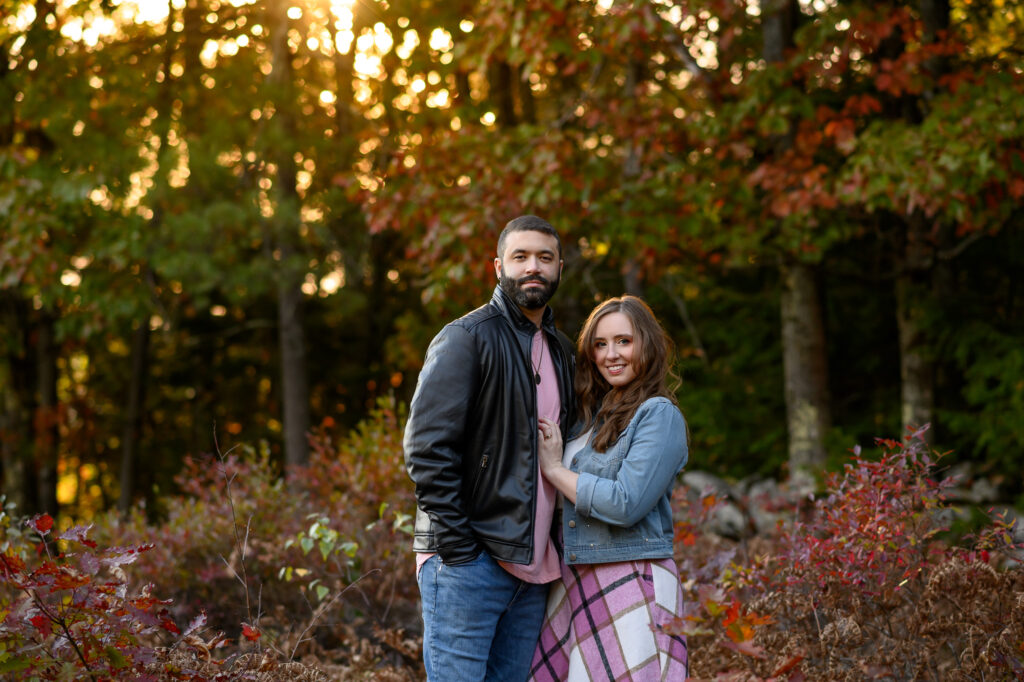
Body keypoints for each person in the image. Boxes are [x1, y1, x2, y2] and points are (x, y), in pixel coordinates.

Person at [404, 215, 577, 681]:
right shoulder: (467, 338)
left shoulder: (561, 351)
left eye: (544, 257)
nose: (533, 267)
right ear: (497, 266)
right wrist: (461, 549)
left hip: (533, 570)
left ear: (560, 267)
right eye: (520, 256)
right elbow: (426, 451)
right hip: (469, 564)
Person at [529, 295, 689, 681]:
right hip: (574, 580)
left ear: (647, 345)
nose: (611, 354)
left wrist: (552, 468)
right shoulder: (590, 418)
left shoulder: (658, 414)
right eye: (600, 344)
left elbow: (625, 503)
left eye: (624, 341)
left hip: (630, 577)